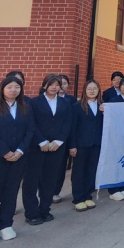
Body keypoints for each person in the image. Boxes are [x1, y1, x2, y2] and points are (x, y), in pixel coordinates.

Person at [0, 75, 36, 245]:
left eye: (17, 87)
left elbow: (30, 131)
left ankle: (6, 224)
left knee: (11, 192)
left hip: (18, 158)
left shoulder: (25, 107)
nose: (13, 90)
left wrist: (20, 151)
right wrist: (4, 152)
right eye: (9, 87)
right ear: (2, 89)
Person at [23, 74, 72, 226]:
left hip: (56, 147)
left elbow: (67, 123)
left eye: (57, 85)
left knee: (50, 179)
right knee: (32, 180)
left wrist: (59, 141)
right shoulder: (34, 102)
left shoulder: (64, 103)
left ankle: (45, 209)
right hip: (37, 147)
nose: (54, 87)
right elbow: (31, 123)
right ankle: (31, 213)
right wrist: (41, 141)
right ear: (44, 86)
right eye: (51, 84)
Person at [69, 80, 104, 212]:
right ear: (84, 90)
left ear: (99, 90)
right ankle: (78, 198)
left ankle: (88, 195)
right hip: (81, 144)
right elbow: (72, 128)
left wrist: (106, 112)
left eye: (95, 88)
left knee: (92, 170)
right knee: (79, 171)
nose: (92, 91)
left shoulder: (102, 106)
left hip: (96, 143)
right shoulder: (77, 106)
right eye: (89, 88)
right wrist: (72, 145)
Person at [52, 74, 77, 204]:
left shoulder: (71, 100)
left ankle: (55, 191)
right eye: (59, 84)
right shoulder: (47, 99)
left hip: (65, 138)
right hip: (49, 139)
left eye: (64, 84)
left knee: (61, 166)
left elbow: (71, 121)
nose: (62, 87)